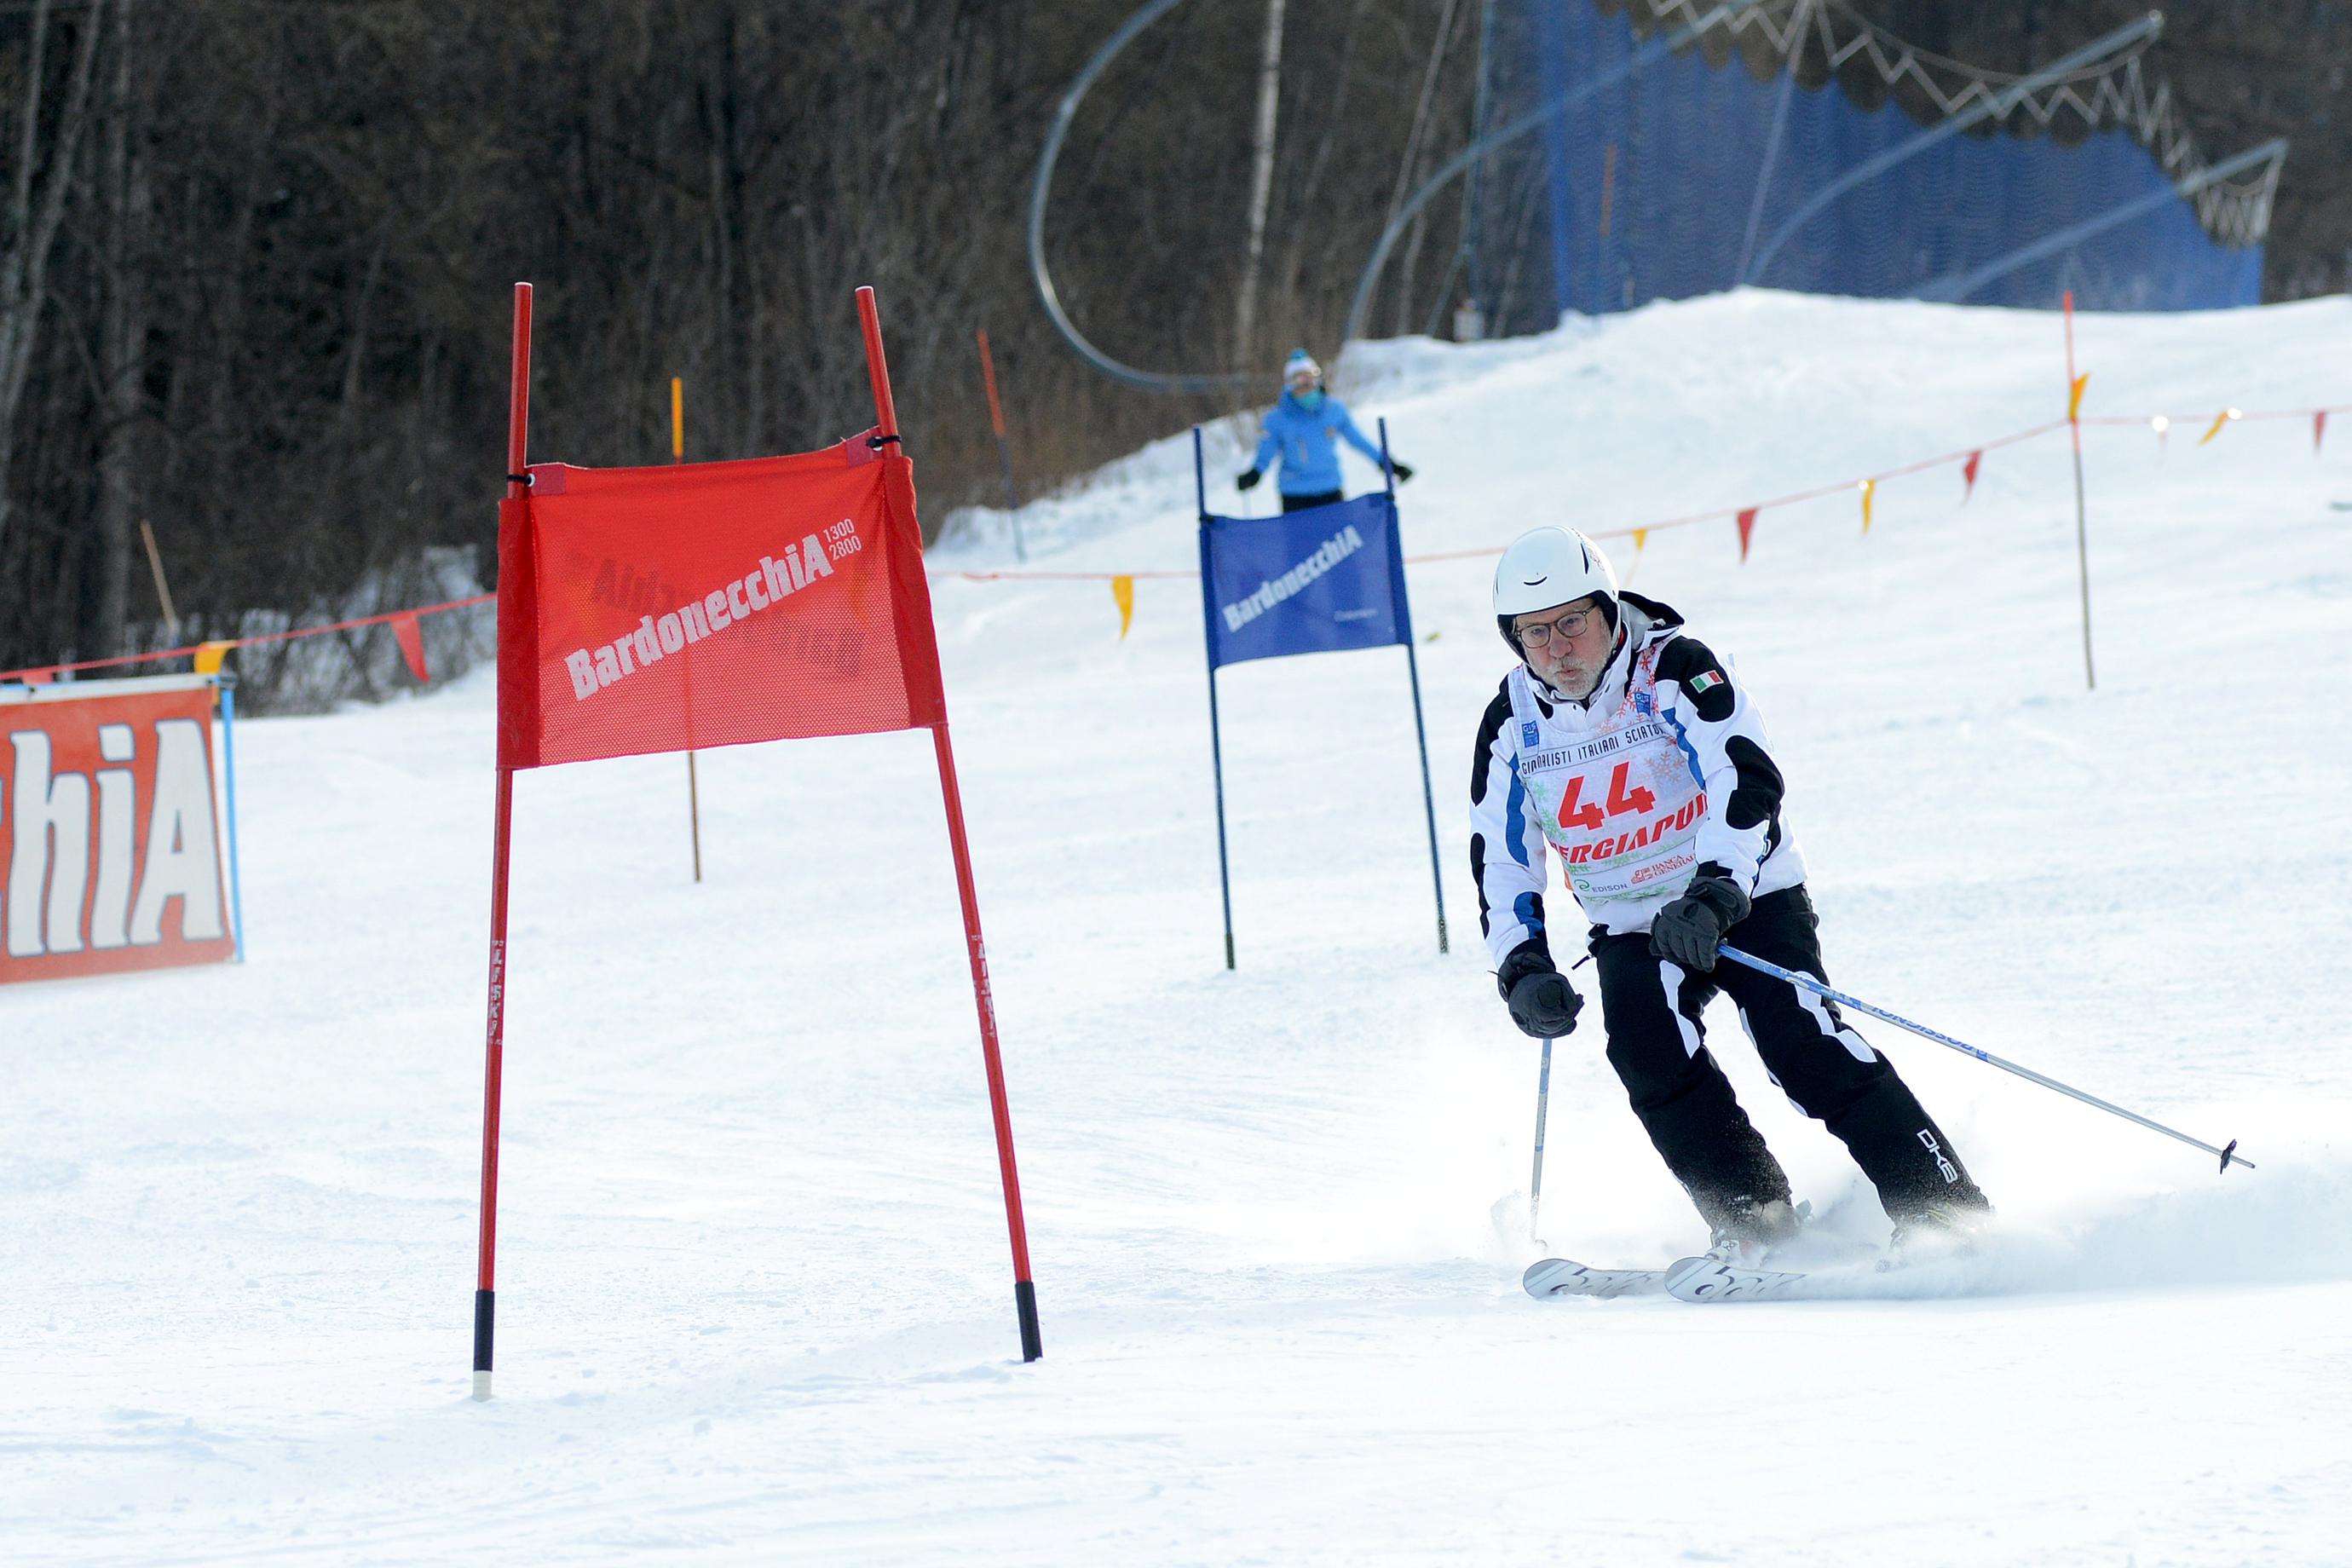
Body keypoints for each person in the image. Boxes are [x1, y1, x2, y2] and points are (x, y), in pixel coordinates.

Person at [1467, 525, 1991, 1261]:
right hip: (1633, 923)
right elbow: (1501, 857)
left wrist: (1715, 892)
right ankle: (1753, 1218)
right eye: (1535, 632)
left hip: (1743, 896)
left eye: (1572, 622)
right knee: (1646, 1051)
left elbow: (1746, 776)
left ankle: (1944, 1208)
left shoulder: (1677, 669)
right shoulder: (1512, 722)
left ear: (1608, 609)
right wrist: (1521, 966)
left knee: (1799, 1043)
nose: (1557, 648)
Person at [1235, 349, 1411, 512]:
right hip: (1294, 496)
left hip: (1330, 491)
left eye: (1310, 379)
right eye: (1300, 381)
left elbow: (1358, 440)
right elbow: (1267, 451)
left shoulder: (1334, 410)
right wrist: (1255, 473)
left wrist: (1385, 462)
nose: (1307, 387)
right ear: (1290, 385)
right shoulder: (1277, 419)